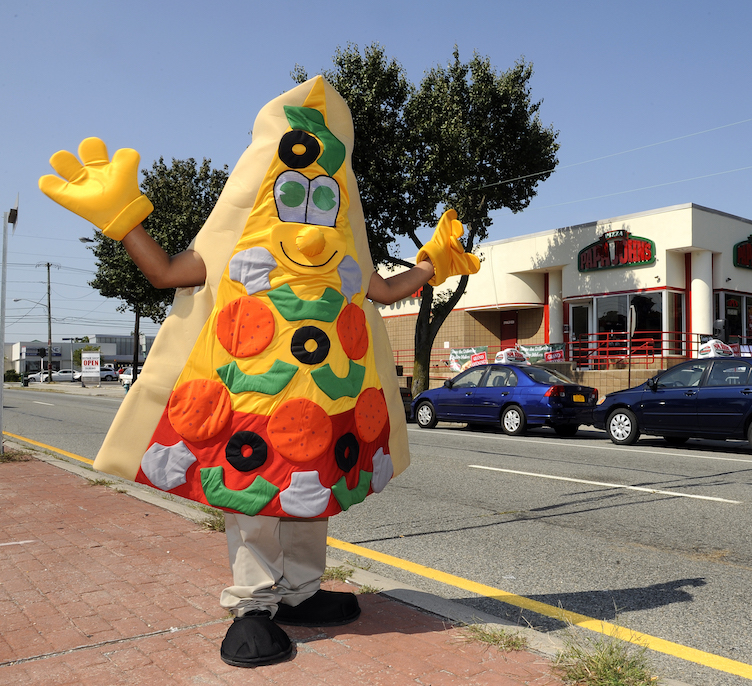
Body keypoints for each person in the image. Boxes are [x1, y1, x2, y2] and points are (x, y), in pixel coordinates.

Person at [39, 77, 479, 668]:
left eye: (325, 198)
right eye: (294, 194)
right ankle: (252, 606)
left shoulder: (347, 259)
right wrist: (123, 220)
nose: (309, 217)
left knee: (309, 502)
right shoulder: (234, 249)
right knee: (253, 502)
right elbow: (168, 273)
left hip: (324, 409)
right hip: (247, 405)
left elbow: (385, 288)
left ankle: (299, 593)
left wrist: (432, 264)